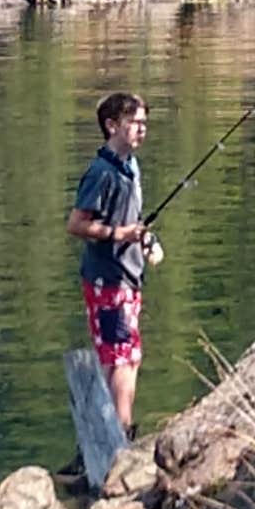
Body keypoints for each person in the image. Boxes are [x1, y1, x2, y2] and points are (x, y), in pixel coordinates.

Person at [67, 90, 161, 434]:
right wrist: (119, 234)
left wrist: (146, 240)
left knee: (128, 358)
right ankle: (118, 434)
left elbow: (132, 219)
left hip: (129, 278)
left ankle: (116, 430)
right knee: (120, 358)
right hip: (107, 281)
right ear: (111, 126)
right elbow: (76, 224)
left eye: (144, 123)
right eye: (134, 122)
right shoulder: (101, 172)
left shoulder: (131, 168)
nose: (142, 129)